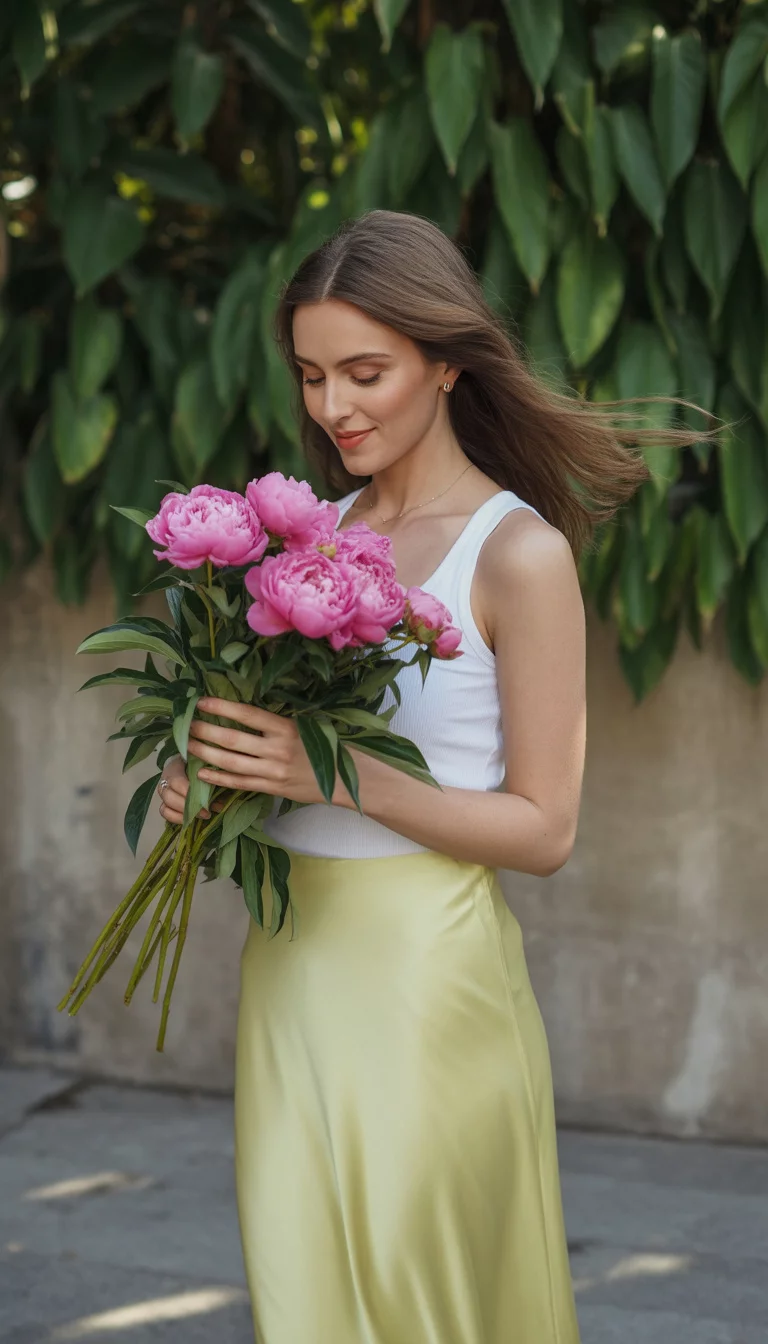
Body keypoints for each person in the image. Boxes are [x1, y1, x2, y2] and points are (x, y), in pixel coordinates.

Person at [155, 210, 710, 1343]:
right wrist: (210, 787)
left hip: (426, 985)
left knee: (425, 1308)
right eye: (312, 375)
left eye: (366, 373)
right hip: (290, 970)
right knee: (304, 1302)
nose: (333, 406)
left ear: (447, 362)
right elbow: (286, 772)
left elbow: (545, 830)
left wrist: (329, 775)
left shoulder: (519, 554)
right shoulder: (307, 542)